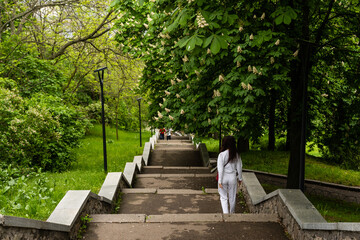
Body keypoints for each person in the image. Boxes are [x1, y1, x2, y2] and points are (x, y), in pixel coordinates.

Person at [217, 136, 242, 214]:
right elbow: (239, 167)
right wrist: (240, 179)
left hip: (223, 177)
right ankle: (232, 213)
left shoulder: (221, 155)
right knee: (232, 197)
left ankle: (225, 213)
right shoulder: (236, 155)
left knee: (223, 197)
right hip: (232, 177)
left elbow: (220, 169)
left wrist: (220, 181)